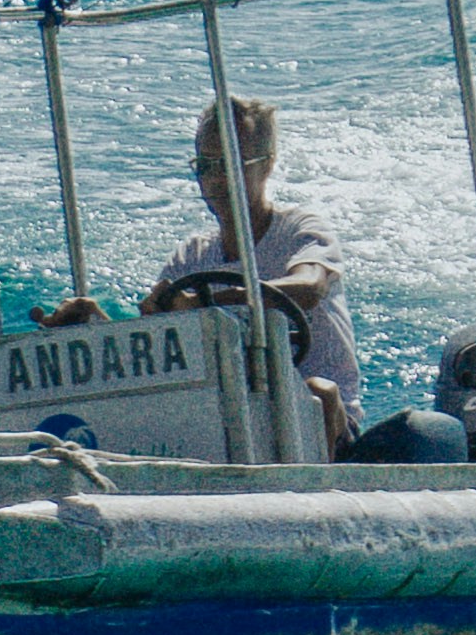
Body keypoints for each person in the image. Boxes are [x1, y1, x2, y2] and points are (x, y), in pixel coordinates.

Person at [143, 97, 360, 453]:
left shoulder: (300, 231)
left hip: (325, 420)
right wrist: (92, 322)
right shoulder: (191, 257)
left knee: (319, 392)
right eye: (206, 166)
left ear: (268, 165)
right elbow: (154, 332)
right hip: (229, 415)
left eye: (231, 164)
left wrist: (211, 303)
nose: (215, 180)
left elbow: (308, 287)